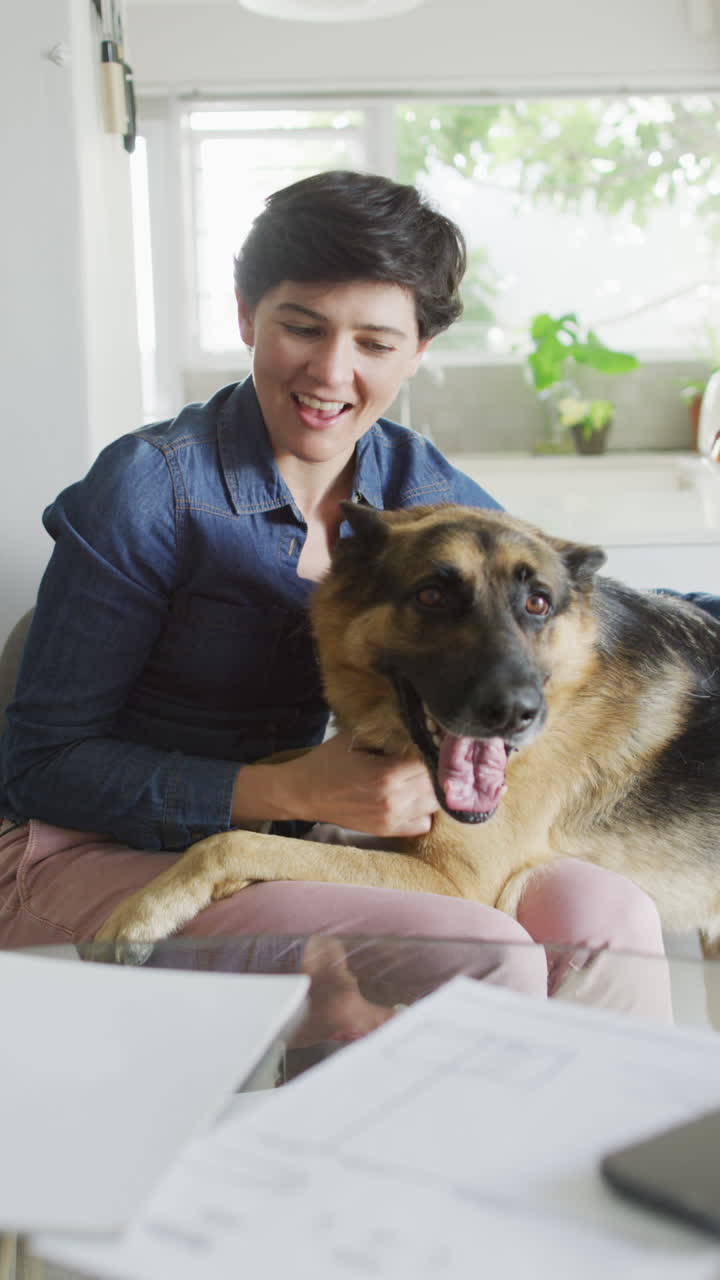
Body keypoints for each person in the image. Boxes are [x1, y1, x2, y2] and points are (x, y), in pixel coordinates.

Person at [0, 170, 698, 1035]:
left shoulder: (420, 486)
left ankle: (583, 1158)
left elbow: (566, 593)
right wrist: (288, 788)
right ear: (247, 315)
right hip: (97, 850)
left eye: (374, 342)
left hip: (317, 839)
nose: (332, 372)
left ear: (417, 352)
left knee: (608, 920)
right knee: (481, 946)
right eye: (302, 326)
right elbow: (38, 766)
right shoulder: (149, 490)